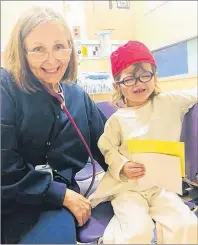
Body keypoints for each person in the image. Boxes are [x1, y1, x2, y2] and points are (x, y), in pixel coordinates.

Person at [1, 6, 108, 244]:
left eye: (59, 47)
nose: (52, 60)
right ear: (22, 53)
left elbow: (108, 145)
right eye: (38, 49)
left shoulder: (78, 97)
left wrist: (137, 168)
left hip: (54, 207)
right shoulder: (5, 87)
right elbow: (3, 164)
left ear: (71, 48)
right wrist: (60, 194)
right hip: (11, 202)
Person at [89, 41, 198, 244]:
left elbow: (194, 93)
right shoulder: (118, 119)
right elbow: (107, 147)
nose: (138, 84)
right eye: (129, 79)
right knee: (137, 232)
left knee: (187, 225)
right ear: (117, 86)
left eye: (145, 75)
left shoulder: (170, 101)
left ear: (155, 77)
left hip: (161, 186)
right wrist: (122, 166)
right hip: (127, 188)